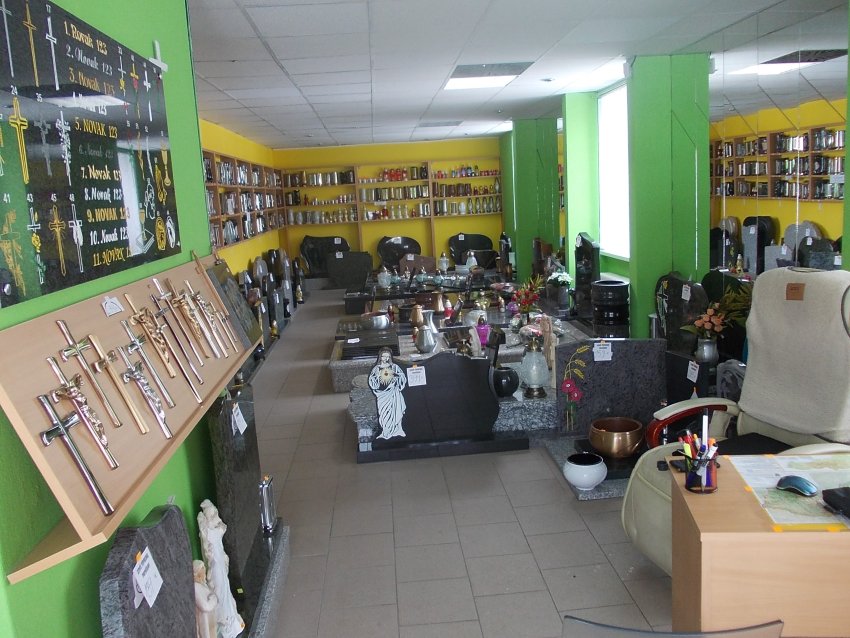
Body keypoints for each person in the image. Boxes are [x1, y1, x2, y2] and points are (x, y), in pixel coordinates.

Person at [197, 500, 244, 638]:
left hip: (219, 567)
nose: (215, 518)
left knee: (225, 590)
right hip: (216, 567)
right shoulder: (207, 532)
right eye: (212, 515)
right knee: (221, 592)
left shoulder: (214, 530)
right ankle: (228, 625)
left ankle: (233, 622)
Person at [368, 347, 407, 439]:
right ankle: (385, 431)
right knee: (384, 414)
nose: (385, 358)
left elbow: (402, 377)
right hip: (382, 394)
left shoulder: (394, 367)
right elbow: (372, 381)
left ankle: (398, 430)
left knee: (396, 411)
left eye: (387, 356)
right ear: (380, 357)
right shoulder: (376, 369)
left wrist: (396, 376)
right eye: (383, 356)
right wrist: (377, 377)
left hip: (393, 392)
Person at [193, 560, 217, 638]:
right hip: (204, 625)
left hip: (209, 622)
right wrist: (214, 599)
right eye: (202, 569)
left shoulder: (203, 585)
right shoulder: (195, 587)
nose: (204, 573)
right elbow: (205, 606)